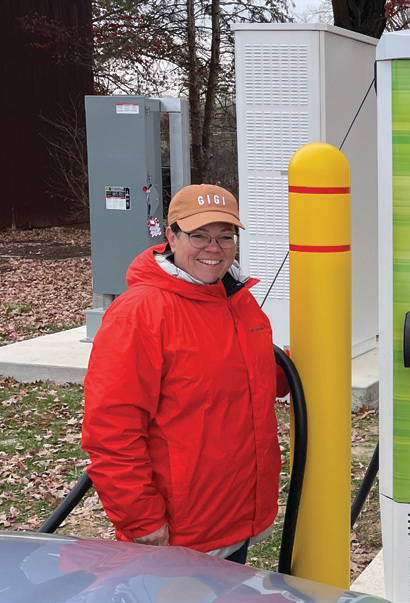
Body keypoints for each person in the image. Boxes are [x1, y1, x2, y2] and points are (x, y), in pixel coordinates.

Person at [82, 184, 284, 564]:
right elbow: (111, 430)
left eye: (226, 236)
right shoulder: (140, 313)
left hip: (235, 517)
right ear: (171, 237)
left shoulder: (237, 300)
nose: (214, 247)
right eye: (199, 236)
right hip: (178, 536)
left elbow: (252, 378)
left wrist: (309, 366)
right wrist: (141, 520)